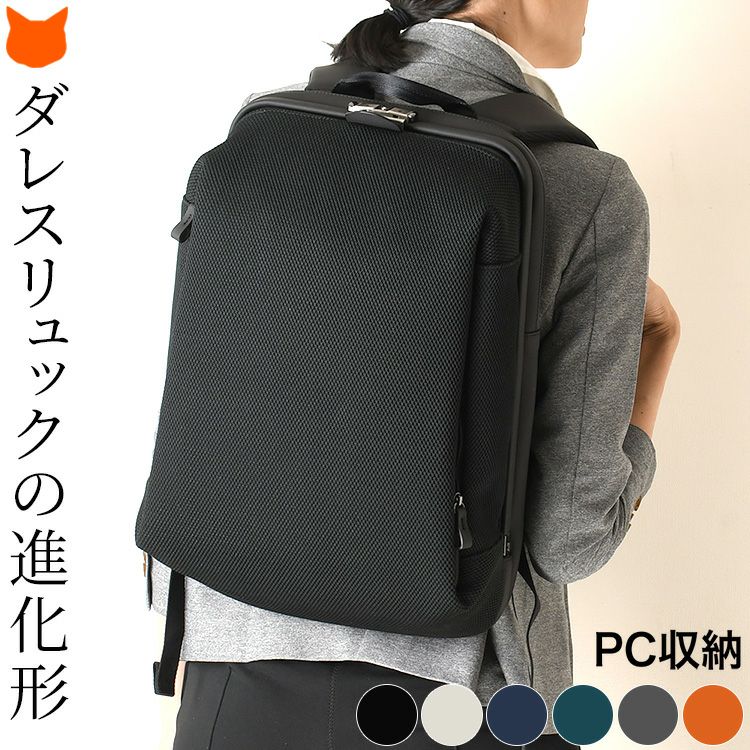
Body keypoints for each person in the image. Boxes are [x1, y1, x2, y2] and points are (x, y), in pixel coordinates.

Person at [150, 2, 680, 748]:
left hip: (230, 667)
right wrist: (660, 347)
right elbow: (570, 541)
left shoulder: (268, 120)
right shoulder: (586, 187)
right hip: (458, 697)